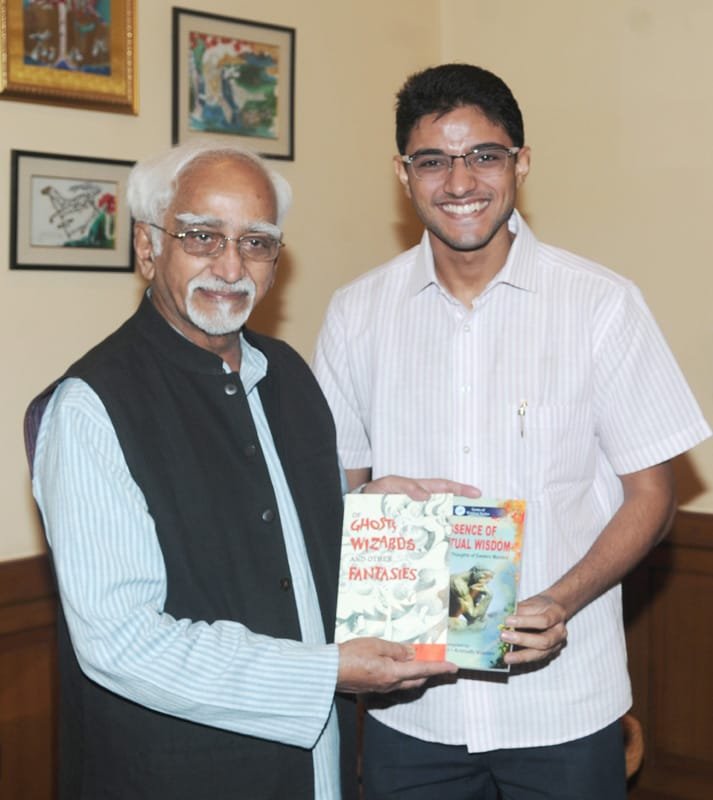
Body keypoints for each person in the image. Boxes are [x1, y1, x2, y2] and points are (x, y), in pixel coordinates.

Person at [313, 63, 712, 799]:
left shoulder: (599, 305)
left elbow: (651, 495)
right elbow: (334, 492)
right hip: (411, 709)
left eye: (483, 156)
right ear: (403, 174)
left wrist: (559, 600)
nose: (458, 182)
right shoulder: (356, 313)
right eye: (432, 160)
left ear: (520, 162)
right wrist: (371, 504)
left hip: (561, 705)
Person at [23, 140, 461, 800]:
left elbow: (275, 537)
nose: (230, 266)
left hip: (316, 767)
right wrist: (324, 673)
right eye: (202, 237)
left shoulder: (286, 373)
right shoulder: (91, 406)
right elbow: (121, 641)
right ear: (148, 248)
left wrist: (369, 506)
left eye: (256, 243)